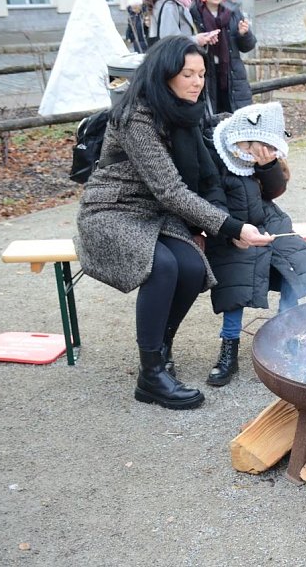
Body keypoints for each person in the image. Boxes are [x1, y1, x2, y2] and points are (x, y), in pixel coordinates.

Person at [75, 36, 276, 410]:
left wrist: (254, 140)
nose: (197, 82)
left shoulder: (186, 113)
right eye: (188, 74)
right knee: (164, 266)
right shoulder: (136, 116)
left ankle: (161, 347)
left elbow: (205, 169)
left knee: (191, 267)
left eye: (201, 74)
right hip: (112, 211)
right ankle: (151, 376)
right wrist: (232, 227)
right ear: (164, 74)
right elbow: (170, 190)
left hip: (156, 215)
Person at [200, 103, 306, 385]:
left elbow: (275, 191)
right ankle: (229, 346)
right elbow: (211, 200)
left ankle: (286, 332)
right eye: (263, 147)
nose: (267, 151)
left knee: (296, 259)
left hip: (267, 218)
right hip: (228, 225)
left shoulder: (260, 155)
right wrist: (232, 232)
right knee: (236, 275)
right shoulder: (215, 153)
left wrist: (268, 167)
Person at [191, 0, 257, 114]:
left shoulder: (233, 12)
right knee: (210, 117)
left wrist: (244, 34)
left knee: (238, 117)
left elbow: (247, 47)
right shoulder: (193, 13)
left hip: (233, 76)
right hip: (205, 75)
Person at [149, 0, 219, 48]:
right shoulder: (169, 5)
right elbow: (169, 41)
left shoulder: (180, 3)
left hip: (181, 57)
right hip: (175, 61)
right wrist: (196, 40)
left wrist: (203, 38)